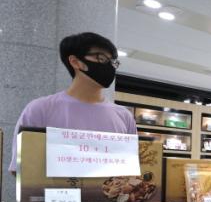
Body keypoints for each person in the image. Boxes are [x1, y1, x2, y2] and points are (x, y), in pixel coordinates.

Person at [9, 32, 137, 174]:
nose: (109, 66)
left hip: (110, 189)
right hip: (56, 189)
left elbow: (132, 169)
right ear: (75, 61)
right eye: (101, 58)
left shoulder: (124, 116)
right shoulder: (40, 109)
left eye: (113, 62)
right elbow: (20, 169)